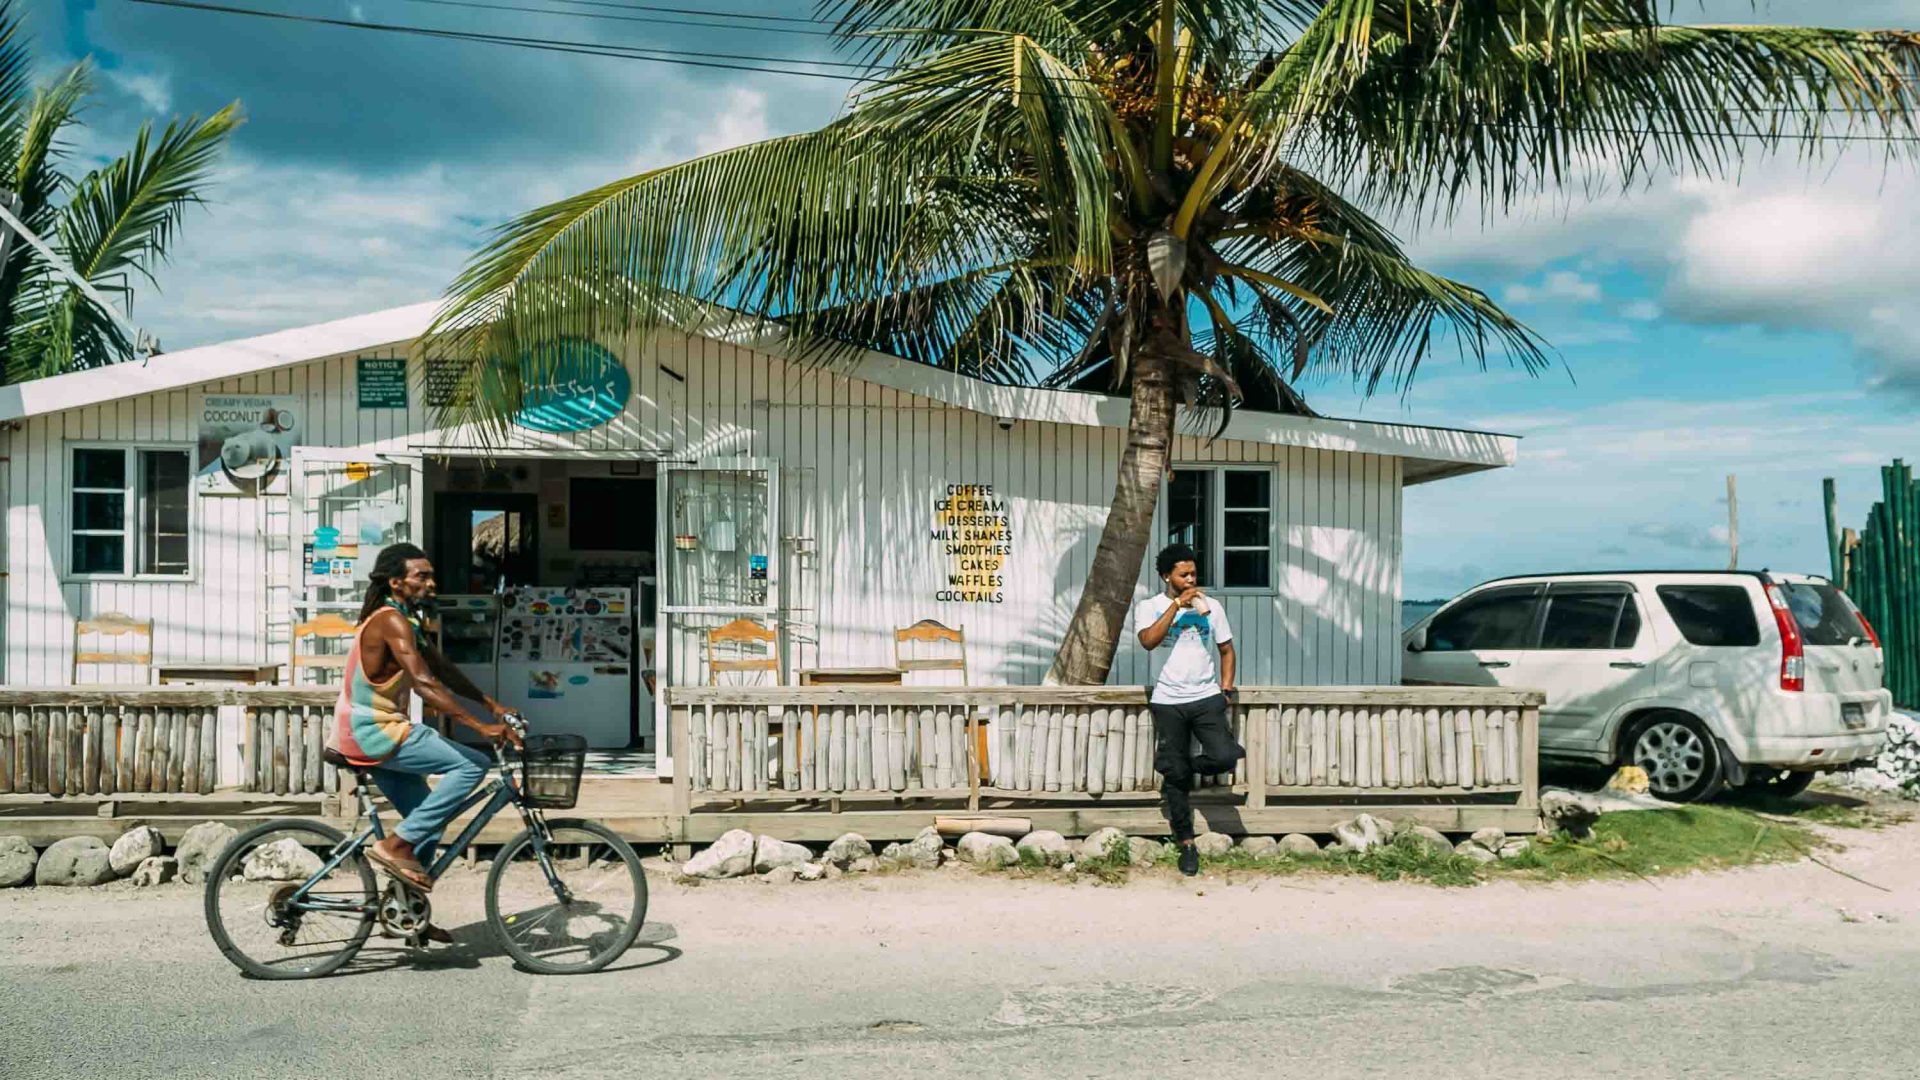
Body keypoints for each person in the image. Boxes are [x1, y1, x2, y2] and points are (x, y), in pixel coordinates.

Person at [329, 543, 523, 925]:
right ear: (396, 582)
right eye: (422, 576)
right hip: (375, 732)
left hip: (373, 733)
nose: (432, 583)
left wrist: (492, 705)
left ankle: (406, 913)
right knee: (473, 765)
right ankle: (395, 845)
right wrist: (481, 727)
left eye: (431, 575)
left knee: (427, 825)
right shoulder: (389, 621)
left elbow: (442, 670)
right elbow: (423, 683)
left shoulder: (407, 620)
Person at [1134, 542, 1243, 876]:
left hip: (1206, 696)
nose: (1191, 579)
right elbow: (1148, 641)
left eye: (1194, 573)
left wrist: (1224, 690)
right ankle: (1186, 843)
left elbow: (1227, 650)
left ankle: (1180, 766)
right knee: (1176, 779)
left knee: (1225, 756)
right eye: (1184, 574)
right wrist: (1177, 607)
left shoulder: (1212, 607)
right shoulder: (1149, 606)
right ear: (1167, 576)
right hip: (1168, 700)